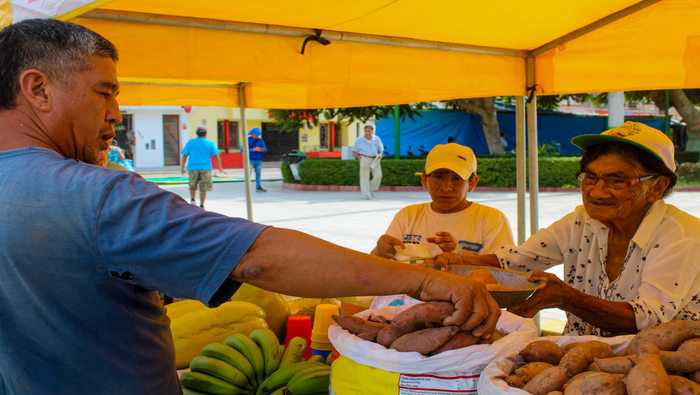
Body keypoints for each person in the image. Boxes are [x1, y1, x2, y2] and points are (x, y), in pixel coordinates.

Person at [0, 19, 499, 394]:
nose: (114, 113)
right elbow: (259, 255)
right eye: (103, 93)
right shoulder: (99, 194)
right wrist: (426, 280)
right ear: (37, 88)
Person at [429, 122, 700, 337]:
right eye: (590, 177)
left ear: (656, 187)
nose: (597, 191)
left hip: (662, 362)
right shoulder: (580, 221)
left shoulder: (682, 236)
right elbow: (514, 261)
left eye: (616, 180)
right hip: (579, 353)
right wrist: (461, 260)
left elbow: (646, 319)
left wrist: (569, 299)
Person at [181, 125, 228, 209]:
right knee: (204, 187)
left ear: (197, 133)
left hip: (192, 168)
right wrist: (220, 168)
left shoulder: (190, 142)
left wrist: (182, 168)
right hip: (205, 168)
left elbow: (184, 155)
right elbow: (216, 156)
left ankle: (192, 200)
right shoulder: (210, 143)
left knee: (192, 185)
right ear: (206, 133)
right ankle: (202, 205)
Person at [352, 124, 383, 199]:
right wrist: (360, 158)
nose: (367, 132)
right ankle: (366, 195)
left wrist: (380, 154)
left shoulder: (377, 139)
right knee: (364, 177)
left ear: (372, 131)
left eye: (369, 131)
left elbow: (381, 149)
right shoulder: (359, 139)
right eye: (366, 131)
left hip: (375, 159)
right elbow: (354, 151)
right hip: (364, 158)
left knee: (379, 175)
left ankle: (370, 188)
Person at [247, 127, 268, 192]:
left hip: (259, 160)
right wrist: (253, 149)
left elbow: (265, 149)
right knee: (248, 174)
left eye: (258, 134)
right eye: (256, 134)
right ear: (252, 134)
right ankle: (248, 187)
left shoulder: (261, 140)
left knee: (258, 174)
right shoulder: (247, 140)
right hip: (250, 160)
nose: (257, 136)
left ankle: (258, 186)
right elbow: (243, 150)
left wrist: (262, 150)